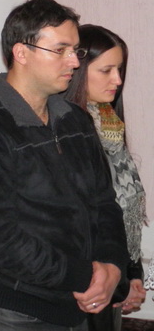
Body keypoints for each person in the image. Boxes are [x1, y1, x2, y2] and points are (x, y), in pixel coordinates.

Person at [0, 0, 128, 330]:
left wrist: (113, 266)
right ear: (21, 53)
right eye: (60, 50)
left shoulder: (75, 120)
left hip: (75, 305)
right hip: (14, 312)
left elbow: (104, 204)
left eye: (75, 50)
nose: (74, 61)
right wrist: (85, 275)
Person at [63, 24, 146, 329]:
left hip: (113, 275)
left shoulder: (109, 122)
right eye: (106, 70)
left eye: (119, 69)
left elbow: (123, 210)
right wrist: (116, 279)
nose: (118, 80)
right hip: (83, 282)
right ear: (78, 69)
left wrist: (132, 275)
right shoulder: (65, 130)